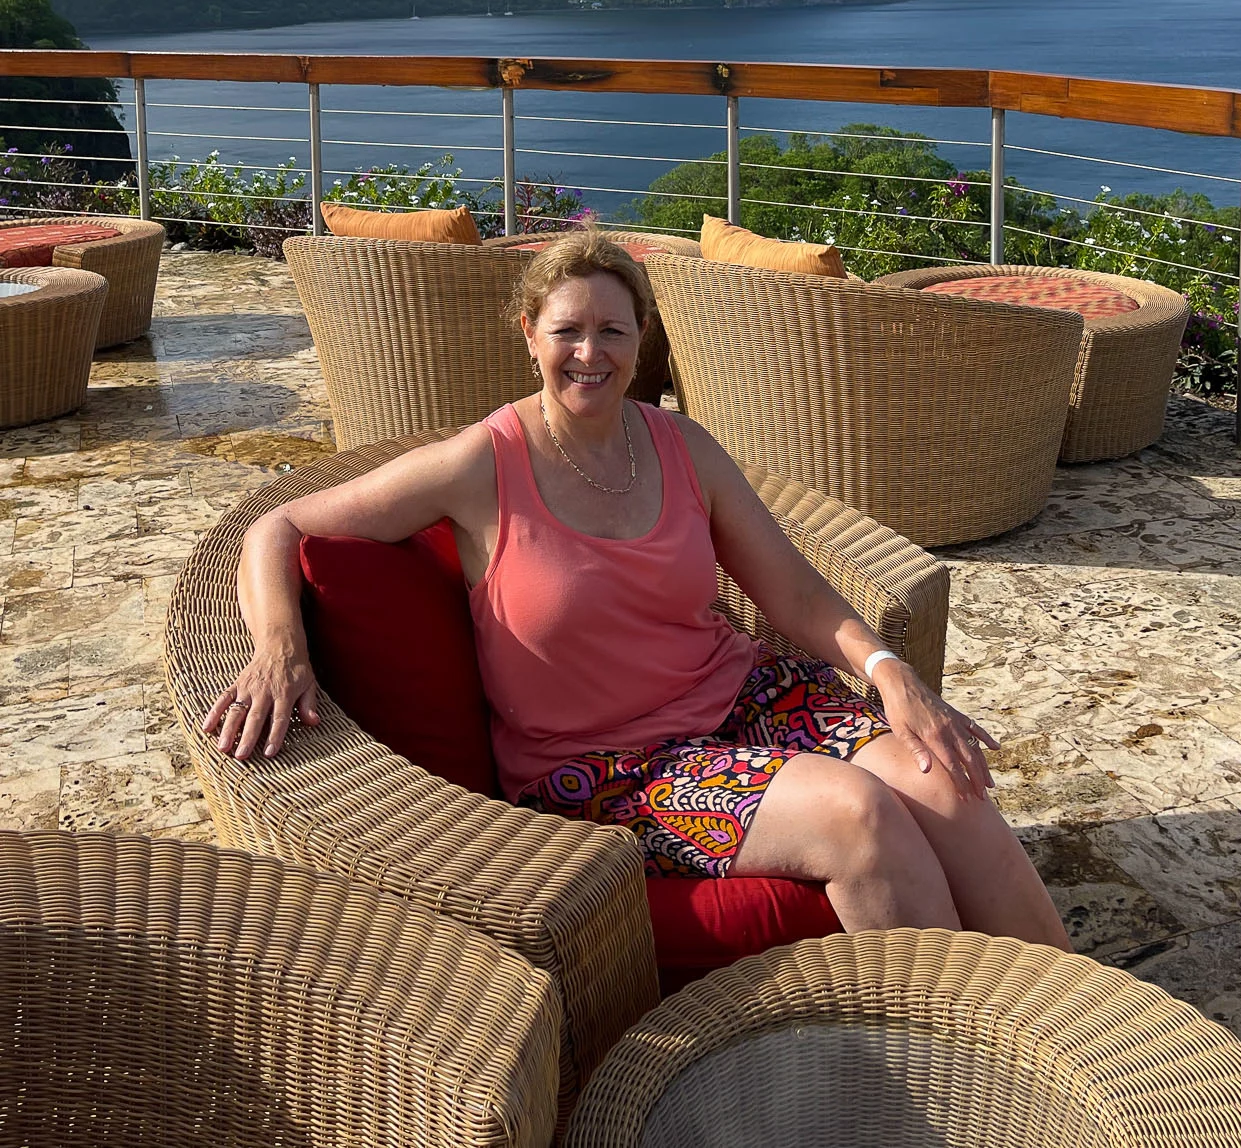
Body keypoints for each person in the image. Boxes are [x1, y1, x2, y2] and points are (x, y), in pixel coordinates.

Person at [209, 229, 1068, 943]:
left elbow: (796, 597)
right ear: (529, 335)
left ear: (641, 337)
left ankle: (1079, 1026)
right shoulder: (481, 463)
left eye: (613, 333)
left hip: (747, 698)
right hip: (607, 765)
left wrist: (891, 673)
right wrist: (278, 650)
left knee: (940, 778)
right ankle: (966, 1044)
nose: (590, 355)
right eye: (567, 331)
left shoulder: (679, 446)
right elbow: (278, 526)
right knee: (857, 812)